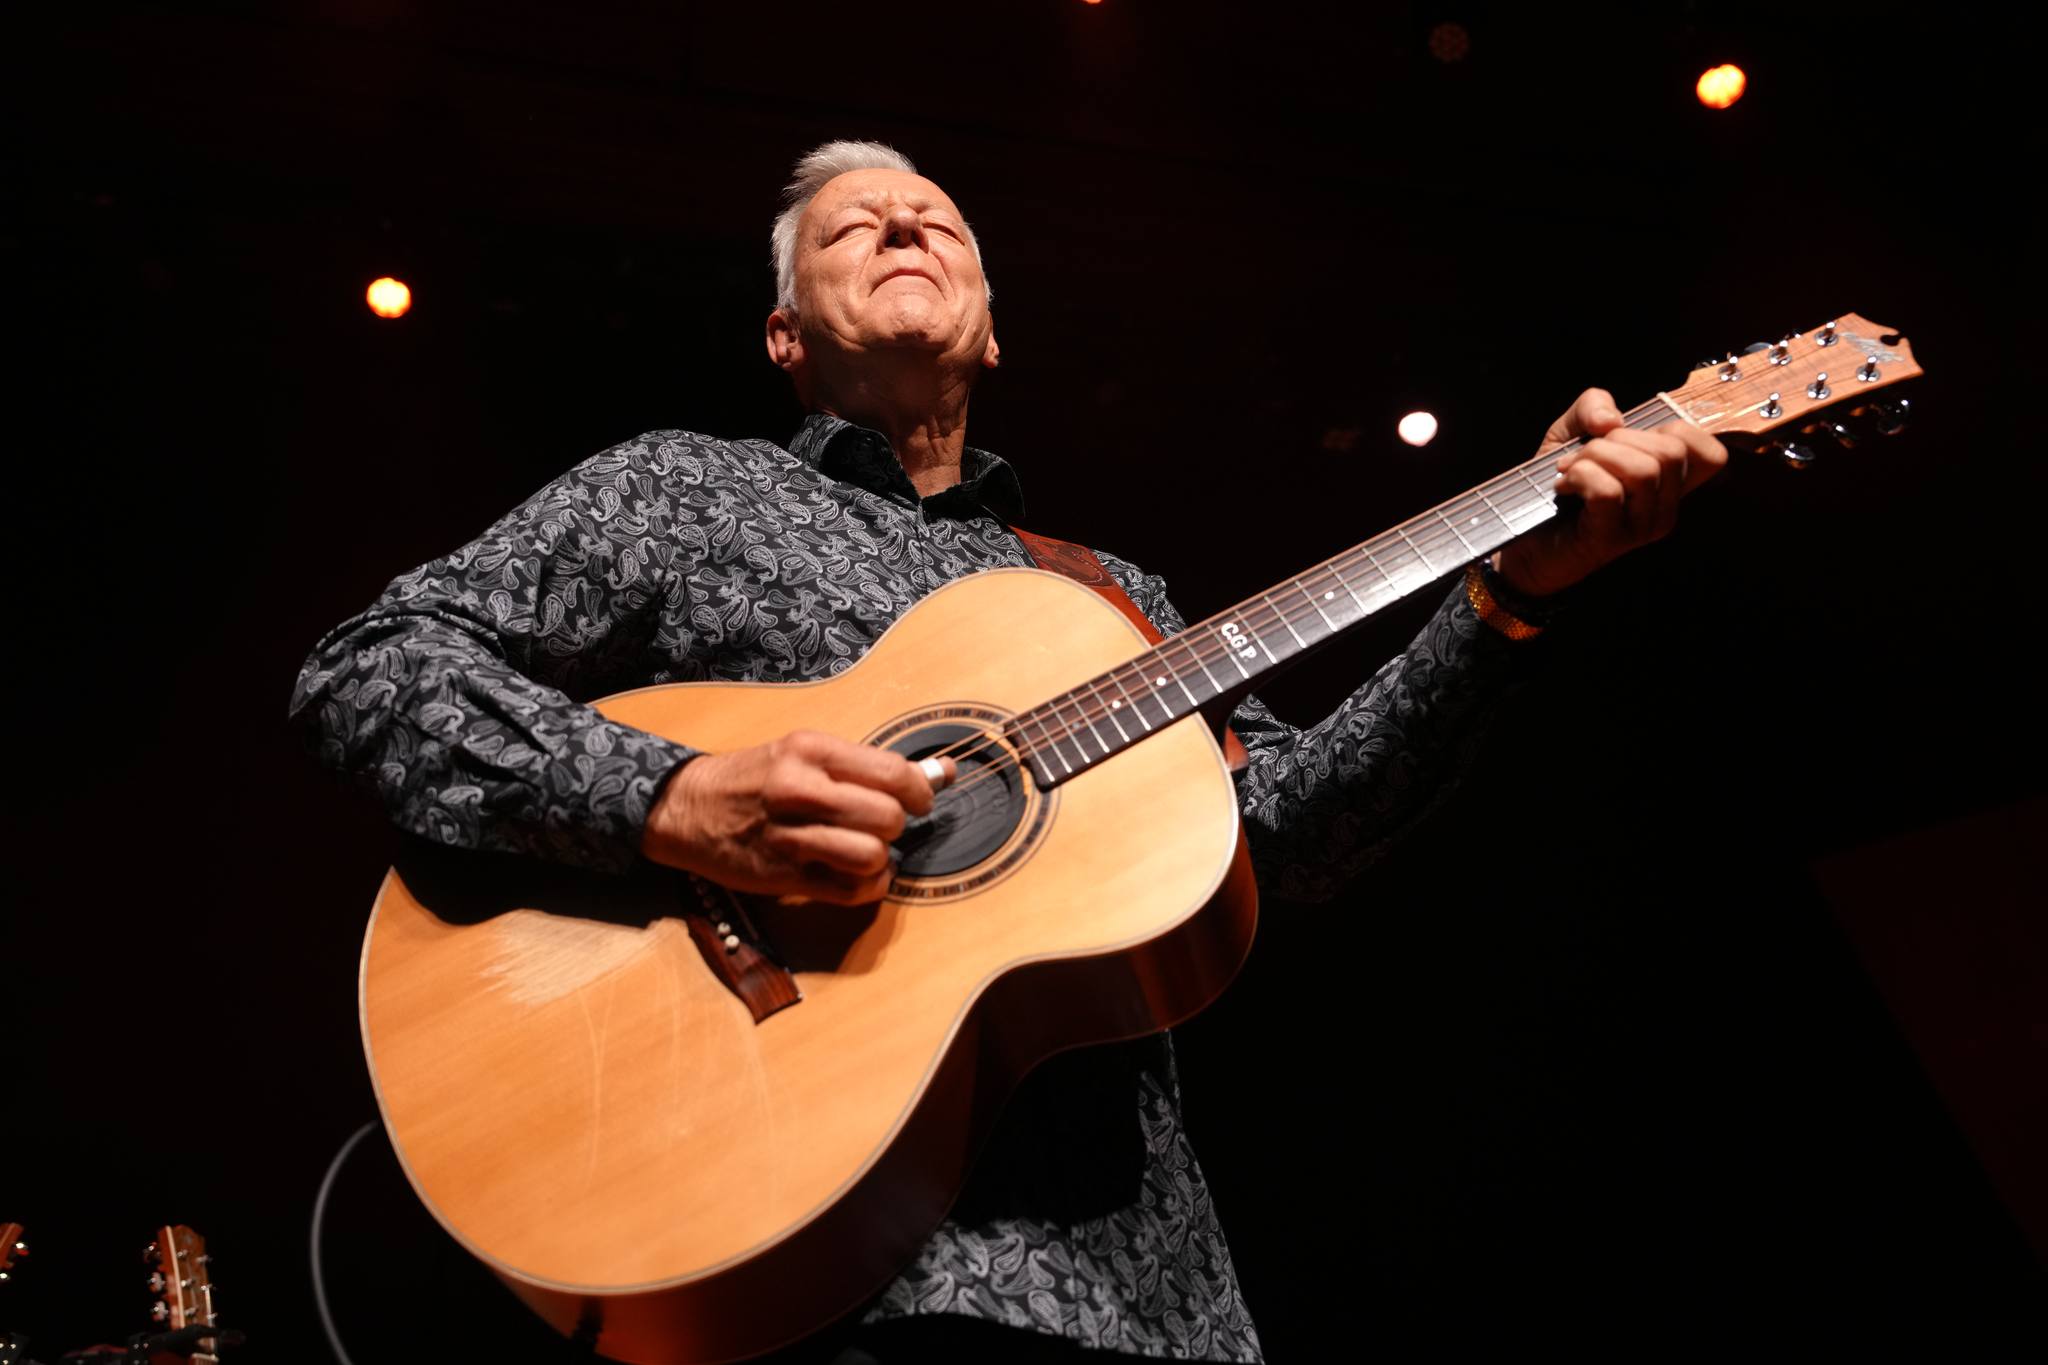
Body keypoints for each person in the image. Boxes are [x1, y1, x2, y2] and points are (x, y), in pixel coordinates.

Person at [291, 140, 1726, 1363]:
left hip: (1138, 1295)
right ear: (785, 337)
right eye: (853, 227)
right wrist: (670, 795)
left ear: (989, 334)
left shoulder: (1104, 595)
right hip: (795, 1262)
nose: (902, 225)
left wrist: (1510, 596)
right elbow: (371, 668)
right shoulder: (679, 489)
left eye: (937, 221)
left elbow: (1292, 832)